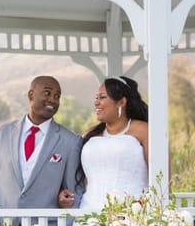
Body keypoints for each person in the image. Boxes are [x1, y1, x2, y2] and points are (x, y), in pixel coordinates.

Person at [0, 76, 84, 226]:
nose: (52, 100)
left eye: (57, 96)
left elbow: (73, 194)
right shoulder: (0, 134)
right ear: (31, 95)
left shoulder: (70, 141)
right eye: (47, 93)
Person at [58, 76, 148, 210]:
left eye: (102, 97)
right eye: (96, 98)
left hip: (131, 218)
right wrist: (64, 194)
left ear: (121, 102)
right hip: (88, 216)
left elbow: (163, 178)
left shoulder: (143, 130)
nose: (96, 102)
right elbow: (80, 180)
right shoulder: (90, 134)